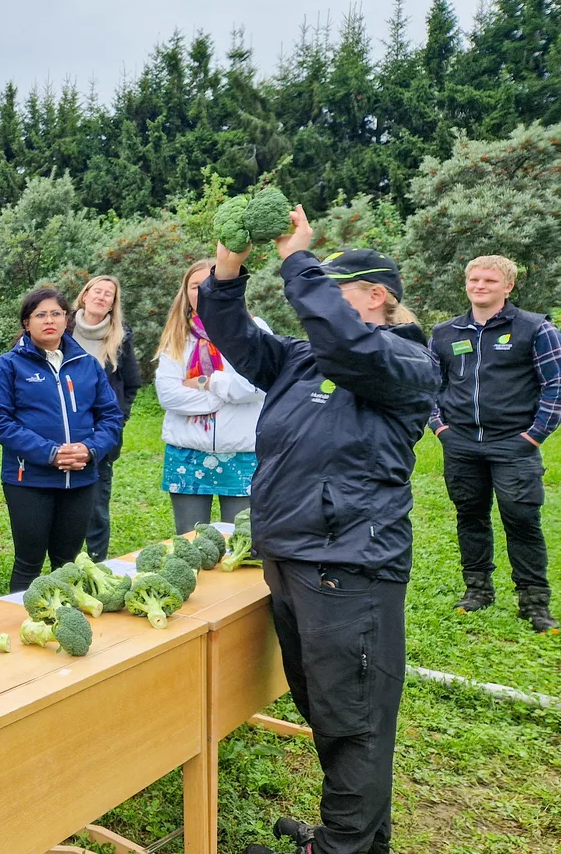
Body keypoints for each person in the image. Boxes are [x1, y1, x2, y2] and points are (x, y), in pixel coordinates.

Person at [197, 216, 440, 854]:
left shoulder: (407, 360)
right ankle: (355, 838)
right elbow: (235, 335)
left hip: (349, 562)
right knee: (327, 707)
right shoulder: (304, 359)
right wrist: (226, 272)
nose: (320, 302)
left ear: (378, 296)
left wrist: (299, 262)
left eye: (337, 290)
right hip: (295, 554)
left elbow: (350, 347)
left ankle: (339, 847)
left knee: (352, 719)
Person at [429, 254, 559, 633]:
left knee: (521, 520)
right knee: (470, 516)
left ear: (508, 286)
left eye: (489, 280)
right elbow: (430, 386)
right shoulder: (444, 333)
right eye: (474, 280)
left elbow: (556, 386)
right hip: (461, 443)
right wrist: (440, 428)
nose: (480, 286)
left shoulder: (536, 329)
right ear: (466, 283)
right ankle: (478, 590)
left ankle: (534, 602)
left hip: (514, 444)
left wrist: (534, 435)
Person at [0, 287, 124, 592]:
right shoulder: (8, 366)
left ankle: (64, 623)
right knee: (29, 562)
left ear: (66, 319)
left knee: (67, 562)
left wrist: (90, 449)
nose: (50, 320)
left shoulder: (86, 365)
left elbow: (111, 417)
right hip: (29, 480)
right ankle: (22, 623)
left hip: (81, 479)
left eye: (57, 313)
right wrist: (50, 453)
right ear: (26, 323)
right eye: (41, 314)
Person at [154, 259, 267, 534]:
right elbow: (168, 394)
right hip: (187, 454)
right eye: (195, 286)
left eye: (210, 283)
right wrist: (222, 397)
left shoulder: (253, 328)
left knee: (242, 541)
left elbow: (260, 384)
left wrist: (209, 381)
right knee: (190, 541)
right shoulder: (176, 335)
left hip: (243, 453)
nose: (203, 291)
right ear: (186, 292)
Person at [71, 275, 143, 560]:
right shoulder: (63, 328)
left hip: (100, 437)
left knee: (96, 506)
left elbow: (132, 383)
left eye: (109, 294)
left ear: (113, 303)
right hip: (61, 430)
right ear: (85, 295)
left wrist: (115, 423)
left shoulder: (120, 335)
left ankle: (97, 562)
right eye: (97, 291)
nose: (102, 297)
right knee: (63, 504)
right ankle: (66, 562)